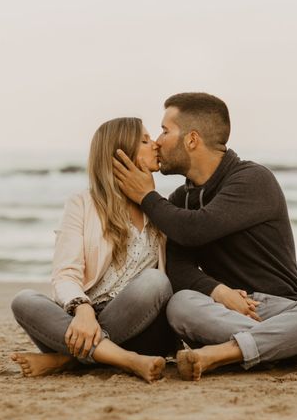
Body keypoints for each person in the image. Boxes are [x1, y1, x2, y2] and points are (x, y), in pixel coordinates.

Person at [113, 92, 297, 381]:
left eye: (165, 130)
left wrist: (147, 197)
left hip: (281, 310)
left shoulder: (252, 179)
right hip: (222, 314)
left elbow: (197, 227)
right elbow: (177, 268)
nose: (158, 141)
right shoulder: (178, 202)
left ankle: (224, 354)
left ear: (192, 139)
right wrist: (219, 292)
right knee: (181, 304)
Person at [10, 117, 176, 383]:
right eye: (144, 141)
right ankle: (126, 360)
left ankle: (65, 360)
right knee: (24, 300)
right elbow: (65, 274)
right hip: (82, 320)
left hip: (141, 325)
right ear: (120, 154)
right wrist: (83, 310)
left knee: (155, 282)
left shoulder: (160, 208)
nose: (155, 144)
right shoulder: (82, 204)